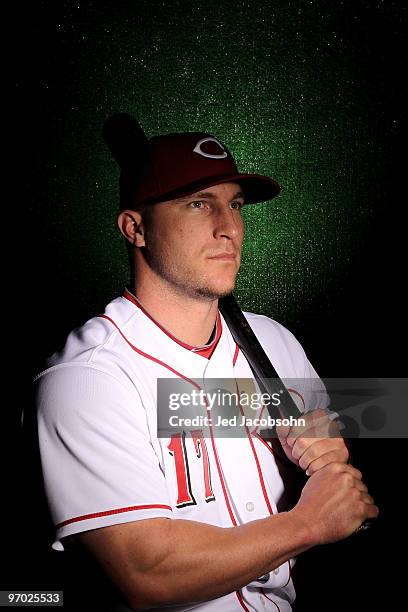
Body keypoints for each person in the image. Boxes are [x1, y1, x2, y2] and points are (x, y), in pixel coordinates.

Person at [34, 114, 378, 611]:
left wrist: (327, 464)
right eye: (198, 204)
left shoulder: (275, 343)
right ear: (136, 229)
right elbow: (147, 574)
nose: (228, 228)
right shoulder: (88, 378)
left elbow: (337, 491)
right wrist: (309, 523)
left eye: (234, 204)